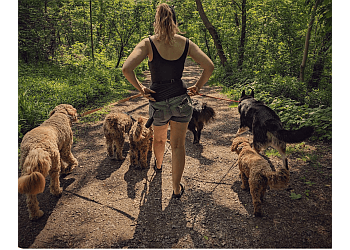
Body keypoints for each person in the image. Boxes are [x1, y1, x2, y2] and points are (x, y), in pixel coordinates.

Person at [122, 3, 214, 199]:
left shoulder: (148, 43)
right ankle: (176, 189)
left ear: (156, 21)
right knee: (179, 145)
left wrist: (142, 89)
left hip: (158, 102)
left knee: (159, 138)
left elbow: (126, 69)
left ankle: (159, 164)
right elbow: (209, 66)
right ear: (175, 21)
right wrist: (197, 87)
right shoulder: (186, 43)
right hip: (181, 101)